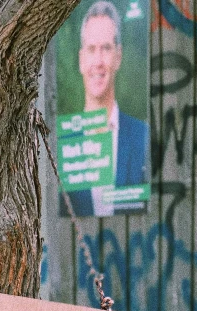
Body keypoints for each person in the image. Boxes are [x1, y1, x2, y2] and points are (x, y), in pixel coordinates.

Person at [66, 0, 149, 216]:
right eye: (92, 49)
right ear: (81, 59)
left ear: (118, 56)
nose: (98, 61)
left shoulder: (143, 136)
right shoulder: (63, 141)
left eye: (106, 48)